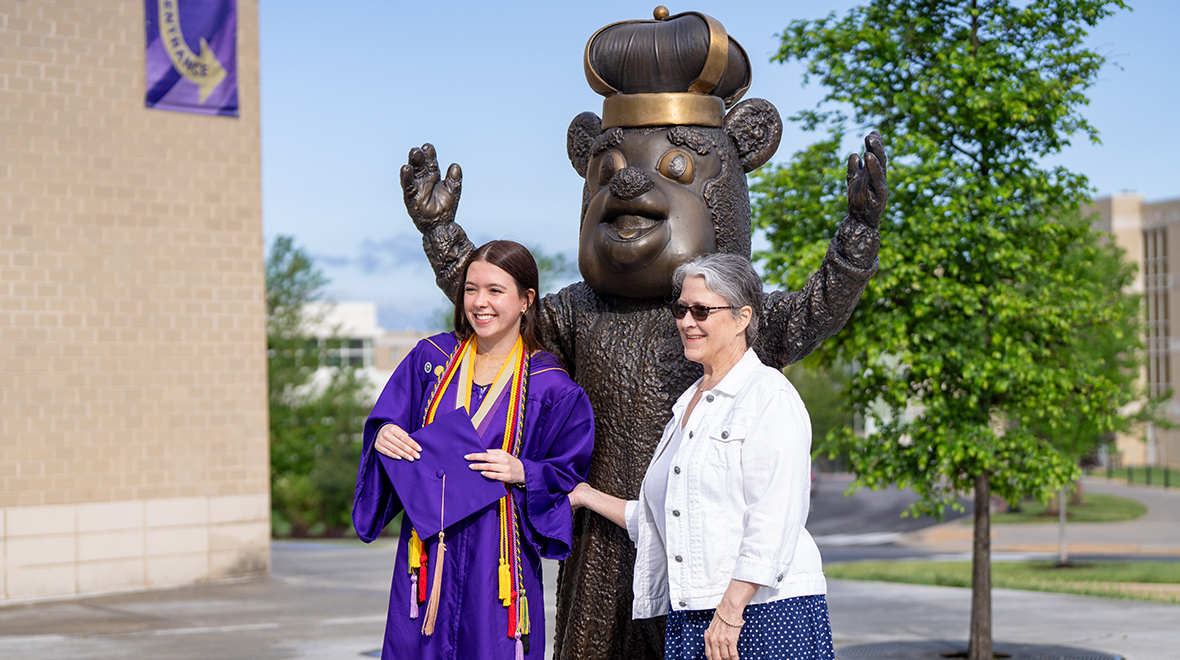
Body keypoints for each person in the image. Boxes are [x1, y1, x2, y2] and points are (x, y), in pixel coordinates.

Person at [569, 253, 833, 660]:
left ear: (743, 317)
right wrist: (586, 495)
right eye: (681, 309)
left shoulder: (768, 395)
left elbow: (775, 516)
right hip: (694, 612)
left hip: (760, 611)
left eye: (702, 310)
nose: (687, 322)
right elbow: (669, 517)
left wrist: (731, 611)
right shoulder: (689, 403)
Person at [353, 240, 595, 660]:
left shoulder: (549, 385)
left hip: (497, 556)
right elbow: (387, 419)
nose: (479, 302)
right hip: (427, 553)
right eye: (470, 289)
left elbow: (569, 472)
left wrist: (524, 471)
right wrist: (383, 434)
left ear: (526, 300)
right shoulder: (432, 361)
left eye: (495, 290)